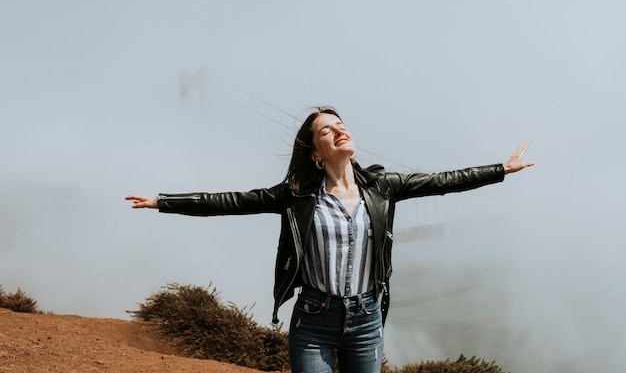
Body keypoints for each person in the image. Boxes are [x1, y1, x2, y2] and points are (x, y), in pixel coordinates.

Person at [125, 106, 533, 373]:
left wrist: (502, 168)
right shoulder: (295, 195)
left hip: (367, 320)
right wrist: (163, 201)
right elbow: (229, 202)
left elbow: (444, 182)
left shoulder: (383, 186)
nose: (338, 131)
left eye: (341, 125)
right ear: (316, 153)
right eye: (326, 130)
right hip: (313, 321)